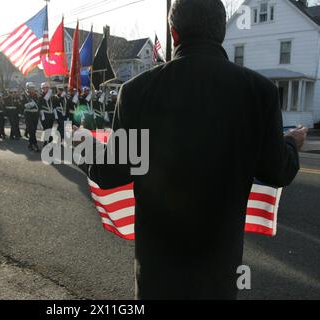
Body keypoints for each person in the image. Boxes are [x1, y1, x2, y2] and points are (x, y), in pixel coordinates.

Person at [83, 0, 307, 300]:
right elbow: (277, 171)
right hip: (217, 271)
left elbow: (111, 174)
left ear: (174, 34)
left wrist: (84, 147)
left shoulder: (137, 92)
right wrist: (291, 142)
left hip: (158, 272)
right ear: (220, 33)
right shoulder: (258, 91)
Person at [22, 82, 41, 152]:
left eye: (33, 88)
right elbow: (22, 105)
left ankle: (30, 144)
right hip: (28, 114)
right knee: (31, 129)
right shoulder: (24, 95)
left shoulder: (36, 95)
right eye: (31, 88)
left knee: (34, 130)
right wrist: (29, 104)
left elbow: (39, 103)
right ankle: (35, 144)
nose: (32, 89)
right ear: (28, 88)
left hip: (35, 114)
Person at [39, 82, 55, 147]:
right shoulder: (40, 96)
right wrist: (47, 95)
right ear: (42, 89)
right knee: (46, 128)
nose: (45, 89)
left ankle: (50, 138)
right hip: (44, 114)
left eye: (47, 88)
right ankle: (46, 141)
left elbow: (55, 104)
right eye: (44, 88)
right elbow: (41, 103)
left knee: (50, 128)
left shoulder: (51, 96)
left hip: (51, 114)